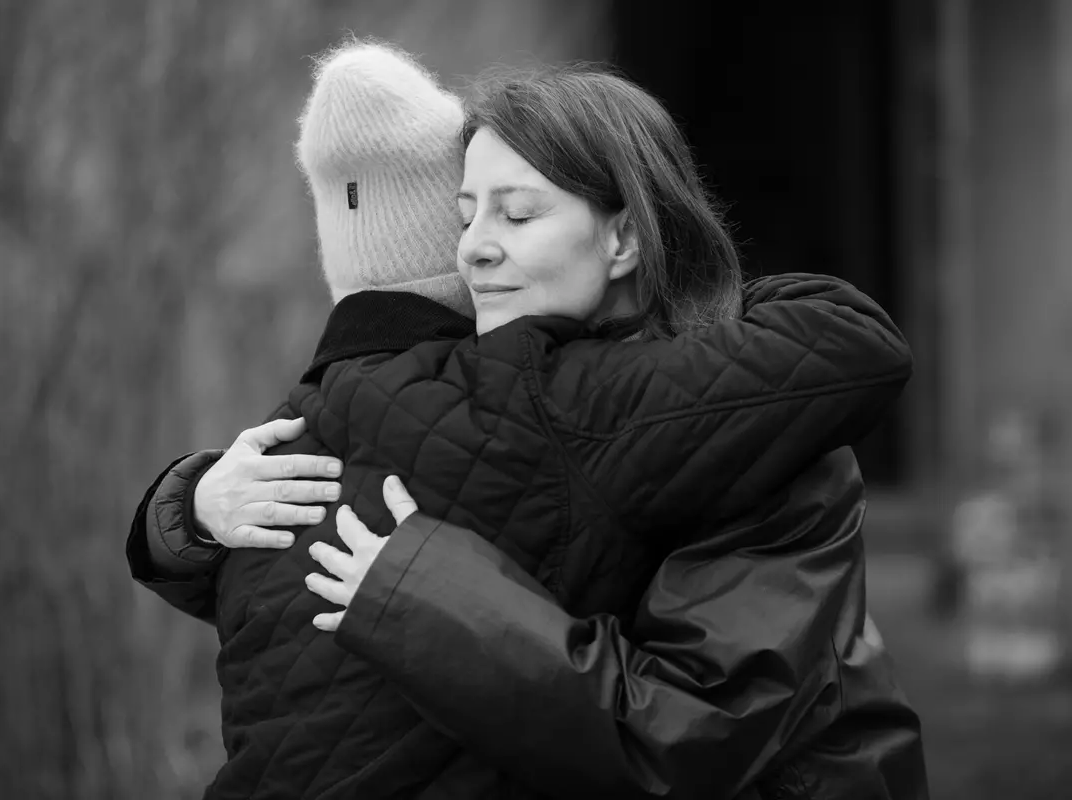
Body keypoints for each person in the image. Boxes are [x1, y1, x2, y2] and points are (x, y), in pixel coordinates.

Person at [128, 42, 928, 800]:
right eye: (465, 214)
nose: (471, 249)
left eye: (515, 215)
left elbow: (683, 741)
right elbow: (324, 599)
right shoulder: (519, 401)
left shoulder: (768, 442)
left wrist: (423, 589)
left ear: (623, 236)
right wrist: (192, 508)